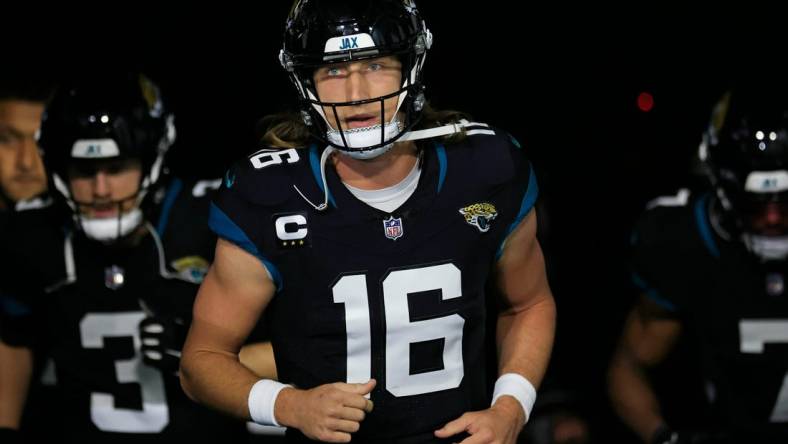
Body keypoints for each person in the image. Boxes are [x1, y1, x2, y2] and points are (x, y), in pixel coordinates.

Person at [180, 1, 556, 443]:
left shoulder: (485, 168)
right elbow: (200, 361)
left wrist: (511, 406)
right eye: (333, 70)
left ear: (409, 69)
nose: (356, 91)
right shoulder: (269, 193)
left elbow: (529, 304)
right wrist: (289, 405)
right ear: (305, 81)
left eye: (375, 64)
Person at [0, 73, 248, 443]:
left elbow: (302, 344)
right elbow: (13, 337)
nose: (101, 190)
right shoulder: (31, 232)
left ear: (153, 158)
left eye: (117, 169)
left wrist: (207, 353)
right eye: (84, 171)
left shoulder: (215, 218)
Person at [608, 85, 788, 443]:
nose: (772, 217)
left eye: (787, 201)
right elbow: (628, 367)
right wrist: (665, 437)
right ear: (721, 184)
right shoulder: (682, 241)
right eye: (755, 202)